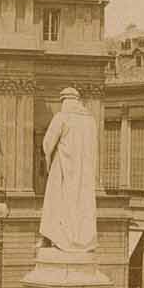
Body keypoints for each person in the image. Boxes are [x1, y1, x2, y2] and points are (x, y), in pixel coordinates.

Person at [38, 87, 99, 253]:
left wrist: (49, 157)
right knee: (82, 204)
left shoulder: (62, 117)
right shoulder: (91, 121)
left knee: (57, 202)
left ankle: (57, 238)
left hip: (64, 167)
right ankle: (84, 241)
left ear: (65, 101)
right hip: (85, 172)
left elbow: (47, 143)